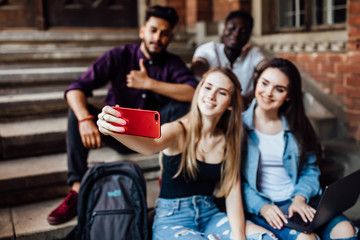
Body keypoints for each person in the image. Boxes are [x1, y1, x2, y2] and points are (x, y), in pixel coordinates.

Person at [46, 5, 198, 225]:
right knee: (77, 111)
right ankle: (77, 189)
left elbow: (193, 91)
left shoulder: (172, 63)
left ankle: (169, 174)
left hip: (154, 137)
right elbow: (75, 89)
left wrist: (150, 84)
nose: (158, 37)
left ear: (170, 37)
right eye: (154, 30)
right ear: (142, 31)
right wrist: (85, 119)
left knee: (184, 106)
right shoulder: (118, 56)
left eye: (164, 33)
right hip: (118, 131)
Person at [97, 67, 276, 240]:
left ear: (230, 104)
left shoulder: (229, 140)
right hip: (172, 217)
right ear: (199, 90)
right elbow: (150, 146)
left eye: (222, 92)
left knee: (265, 237)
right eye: (207, 87)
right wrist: (115, 130)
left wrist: (239, 238)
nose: (211, 96)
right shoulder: (178, 130)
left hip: (210, 214)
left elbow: (233, 192)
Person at [241, 58, 358, 240]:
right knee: (306, 238)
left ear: (288, 95)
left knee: (345, 229)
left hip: (301, 201)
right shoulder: (238, 127)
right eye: (264, 83)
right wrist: (262, 207)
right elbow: (233, 181)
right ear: (257, 82)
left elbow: (310, 169)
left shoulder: (298, 126)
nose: (268, 93)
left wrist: (300, 198)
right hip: (267, 207)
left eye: (279, 89)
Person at [191, 10, 266, 105]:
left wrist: (248, 98)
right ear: (223, 30)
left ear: (248, 36)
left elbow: (266, 69)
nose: (236, 34)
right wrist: (231, 96)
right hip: (211, 104)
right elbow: (196, 68)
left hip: (243, 109)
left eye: (243, 31)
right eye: (231, 28)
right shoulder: (209, 48)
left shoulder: (253, 52)